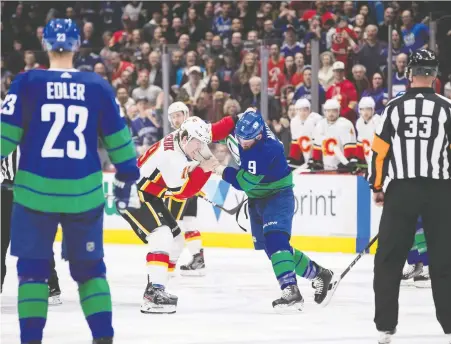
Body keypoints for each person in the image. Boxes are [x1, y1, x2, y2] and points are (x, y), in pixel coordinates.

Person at [0, 19, 141, 344]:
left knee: (32, 272)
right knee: (91, 271)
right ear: (78, 46)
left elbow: (4, 143)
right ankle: (103, 338)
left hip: (35, 194)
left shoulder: (26, 82)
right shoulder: (97, 86)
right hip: (84, 192)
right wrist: (127, 176)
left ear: (46, 46)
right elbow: (120, 141)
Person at [213, 109, 335, 312]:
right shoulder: (251, 126)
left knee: (276, 240)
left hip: (277, 195)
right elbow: (241, 120)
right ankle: (320, 274)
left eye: (247, 140)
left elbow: (242, 184)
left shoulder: (267, 150)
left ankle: (291, 290)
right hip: (257, 199)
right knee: (273, 250)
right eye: (240, 138)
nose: (243, 143)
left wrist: (218, 169)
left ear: (259, 135)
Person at [368, 49, 451, 344]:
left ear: (409, 74)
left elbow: (379, 153)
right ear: (435, 75)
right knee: (444, 259)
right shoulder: (447, 108)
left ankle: (385, 327)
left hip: (401, 190)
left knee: (388, 260)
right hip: (440, 192)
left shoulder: (392, 108)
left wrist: (377, 187)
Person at [120, 114, 238, 314]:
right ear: (184, 139)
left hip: (148, 194)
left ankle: (158, 285)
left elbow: (215, 130)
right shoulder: (171, 157)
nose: (200, 148)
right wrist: (204, 170)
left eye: (202, 143)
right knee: (162, 234)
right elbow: (182, 193)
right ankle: (153, 294)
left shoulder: (188, 134)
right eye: (197, 145)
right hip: (132, 193)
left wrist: (238, 118)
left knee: (175, 239)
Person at [310, 99, 358, 172]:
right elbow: (317, 146)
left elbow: (349, 147)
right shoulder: (320, 125)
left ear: (338, 111)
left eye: (333, 111)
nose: (331, 113)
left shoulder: (345, 124)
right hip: (325, 168)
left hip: (341, 168)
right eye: (328, 111)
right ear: (324, 112)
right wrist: (317, 161)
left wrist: (347, 161)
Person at [288, 98, 322, 168]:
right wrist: (294, 157)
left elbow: (320, 139)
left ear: (309, 110)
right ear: (296, 111)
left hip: (318, 149)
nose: (302, 113)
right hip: (304, 148)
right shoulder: (294, 121)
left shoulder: (317, 119)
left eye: (305, 110)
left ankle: (317, 160)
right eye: (300, 110)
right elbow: (295, 140)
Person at [355, 97, 380, 166]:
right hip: (368, 160)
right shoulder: (359, 122)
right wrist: (359, 159)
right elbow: (360, 141)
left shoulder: (378, 121)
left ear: (373, 110)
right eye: (362, 109)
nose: (365, 112)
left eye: (368, 109)